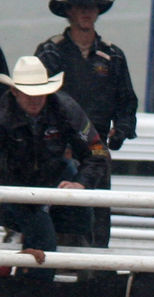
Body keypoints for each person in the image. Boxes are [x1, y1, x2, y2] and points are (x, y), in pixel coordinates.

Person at [36, 0, 138, 247]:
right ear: (68, 11)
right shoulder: (50, 52)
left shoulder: (113, 56)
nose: (86, 12)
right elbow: (36, 101)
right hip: (58, 149)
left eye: (91, 7)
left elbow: (127, 104)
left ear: (98, 11)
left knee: (98, 221)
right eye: (79, 6)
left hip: (97, 149)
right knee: (54, 217)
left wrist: (120, 132)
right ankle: (50, 275)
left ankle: (95, 278)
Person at [0, 56, 109, 281]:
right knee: (43, 237)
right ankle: (36, 295)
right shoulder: (2, 116)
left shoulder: (66, 109)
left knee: (81, 219)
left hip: (51, 178)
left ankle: (73, 279)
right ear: (15, 92)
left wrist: (81, 183)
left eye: (40, 92)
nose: (35, 99)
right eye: (28, 93)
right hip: (11, 186)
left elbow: (97, 151)